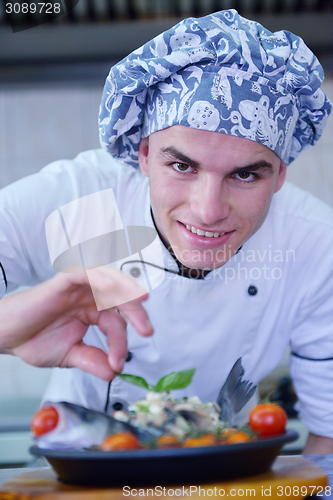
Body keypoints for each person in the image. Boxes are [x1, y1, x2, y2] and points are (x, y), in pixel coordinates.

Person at [0, 9, 332, 454]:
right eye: (181, 166)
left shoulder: (312, 244)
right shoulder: (82, 200)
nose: (208, 210)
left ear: (280, 177)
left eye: (247, 175)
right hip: (80, 477)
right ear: (142, 154)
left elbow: (329, 436)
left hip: (224, 479)